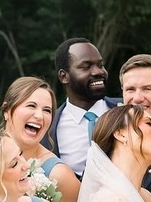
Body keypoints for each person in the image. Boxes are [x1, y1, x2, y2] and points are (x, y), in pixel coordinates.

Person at [0, 76, 80, 202]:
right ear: (7, 111)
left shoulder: (58, 174)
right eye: (31, 106)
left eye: (47, 110)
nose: (39, 116)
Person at [43, 38, 121, 176]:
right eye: (86, 66)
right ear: (64, 76)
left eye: (100, 65)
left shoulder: (127, 110)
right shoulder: (47, 127)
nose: (98, 72)